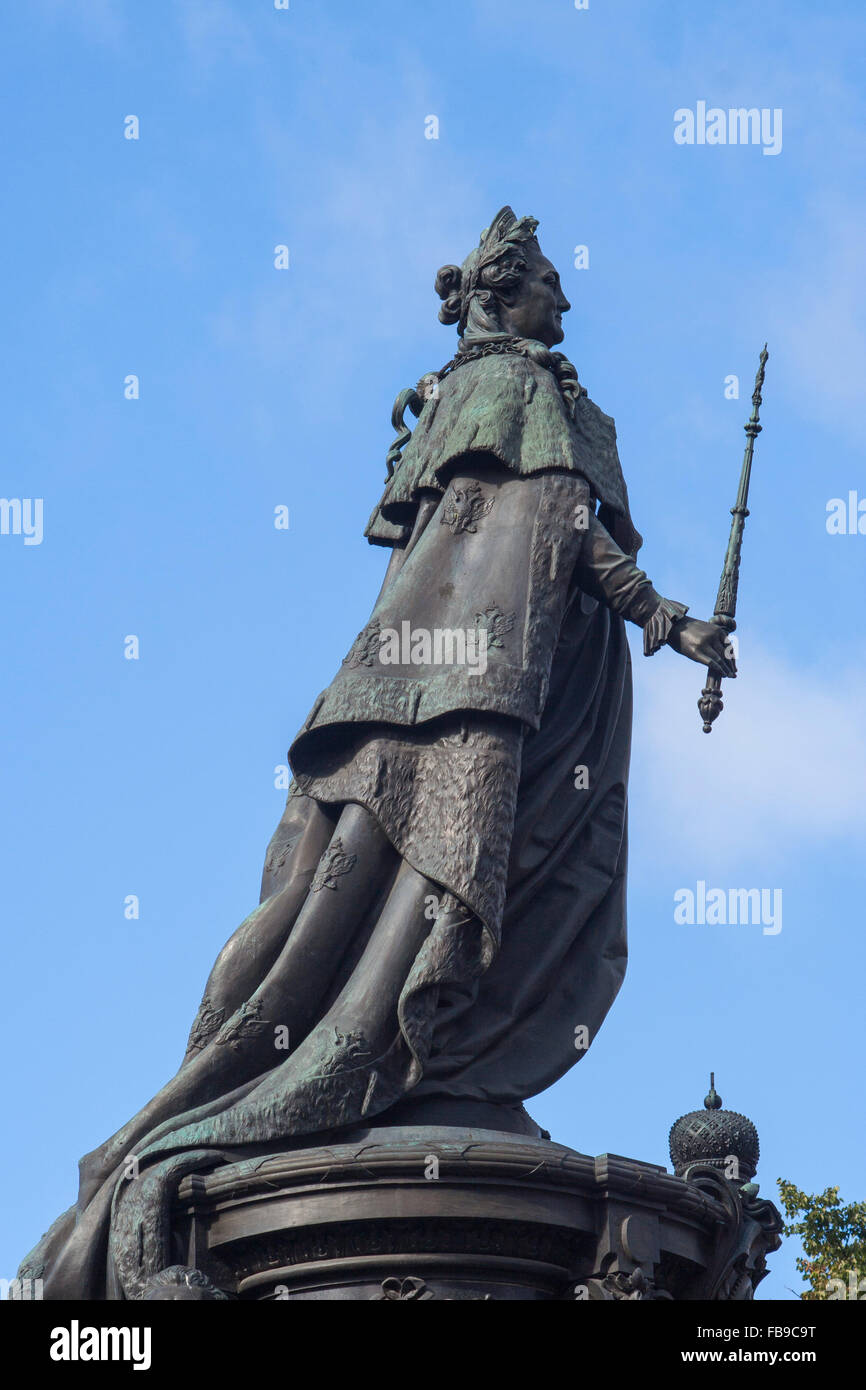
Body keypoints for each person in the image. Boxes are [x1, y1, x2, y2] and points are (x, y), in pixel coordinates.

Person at [20, 206, 734, 1299]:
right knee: (457, 880)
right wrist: (667, 615)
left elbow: (532, 530)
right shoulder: (514, 390)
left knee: (457, 884)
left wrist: (645, 619)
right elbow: (556, 525)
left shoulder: (477, 395)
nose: (567, 300)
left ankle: (445, 1056)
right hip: (476, 696)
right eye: (548, 282)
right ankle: (412, 1049)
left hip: (484, 687)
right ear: (502, 294)